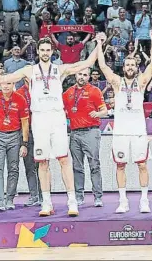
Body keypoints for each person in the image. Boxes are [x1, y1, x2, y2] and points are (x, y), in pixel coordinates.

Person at [0, 36, 102, 217]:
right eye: (42, 50)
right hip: (39, 119)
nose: (45, 53)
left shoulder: (60, 69)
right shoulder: (29, 70)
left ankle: (72, 201)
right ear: (38, 52)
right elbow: (6, 78)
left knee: (64, 160)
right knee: (42, 162)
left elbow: (87, 62)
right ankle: (46, 203)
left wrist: (99, 44)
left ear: (52, 52)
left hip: (56, 118)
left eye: (48, 50)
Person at [97, 31, 152, 214]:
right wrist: (99, 43)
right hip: (120, 132)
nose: (130, 67)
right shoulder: (117, 82)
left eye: (133, 65)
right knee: (120, 165)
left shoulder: (142, 82)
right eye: (127, 64)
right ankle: (123, 201)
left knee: (142, 165)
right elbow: (103, 66)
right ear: (123, 67)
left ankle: (144, 200)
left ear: (137, 67)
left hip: (138, 132)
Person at [63, 68, 108, 207]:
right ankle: (78, 196)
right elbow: (62, 111)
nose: (82, 77)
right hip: (75, 133)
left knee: (94, 164)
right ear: (75, 75)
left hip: (91, 131)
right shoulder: (68, 93)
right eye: (80, 74)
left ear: (89, 77)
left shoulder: (95, 91)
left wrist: (98, 114)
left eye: (85, 75)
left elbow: (105, 110)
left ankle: (98, 197)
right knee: (77, 166)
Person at [0, 82, 29, 210]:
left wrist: (24, 143)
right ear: (0, 85)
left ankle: (9, 199)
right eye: (3, 83)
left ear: (13, 84)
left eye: (9, 83)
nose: (6, 86)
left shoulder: (20, 99)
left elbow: (25, 123)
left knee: (13, 169)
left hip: (14, 136)